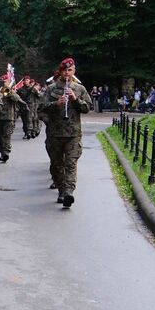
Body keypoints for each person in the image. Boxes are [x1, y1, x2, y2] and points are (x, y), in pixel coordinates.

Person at [38, 57, 92, 208]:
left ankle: (68, 192)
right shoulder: (51, 89)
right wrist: (56, 104)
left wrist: (76, 100)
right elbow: (40, 108)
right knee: (57, 164)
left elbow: (87, 108)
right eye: (64, 70)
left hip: (73, 134)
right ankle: (61, 189)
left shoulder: (80, 89)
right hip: (55, 134)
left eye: (70, 70)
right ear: (60, 71)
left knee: (70, 163)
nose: (67, 73)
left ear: (74, 71)